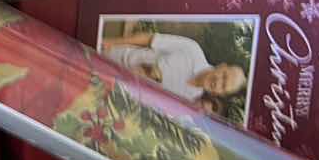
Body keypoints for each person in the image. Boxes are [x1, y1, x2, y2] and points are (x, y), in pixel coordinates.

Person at [99, 22, 248, 109]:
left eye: (224, 86)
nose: (218, 82)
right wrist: (111, 42)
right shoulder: (192, 50)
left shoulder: (189, 102)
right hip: (112, 56)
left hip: (110, 87)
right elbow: (149, 39)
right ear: (221, 66)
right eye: (224, 76)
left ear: (219, 94)